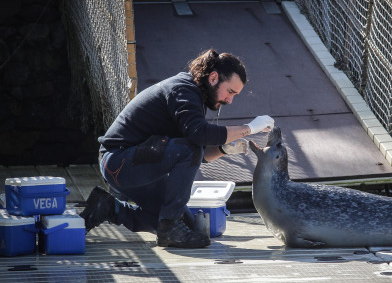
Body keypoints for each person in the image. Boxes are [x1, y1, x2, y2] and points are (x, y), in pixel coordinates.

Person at [80, 49, 274, 248]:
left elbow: (197, 154)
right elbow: (196, 140)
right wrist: (249, 128)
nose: (230, 100)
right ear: (214, 77)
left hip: (136, 163)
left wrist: (223, 150)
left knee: (190, 228)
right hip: (117, 161)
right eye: (230, 92)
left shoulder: (196, 97)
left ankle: (107, 207)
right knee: (173, 218)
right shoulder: (184, 90)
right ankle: (169, 226)